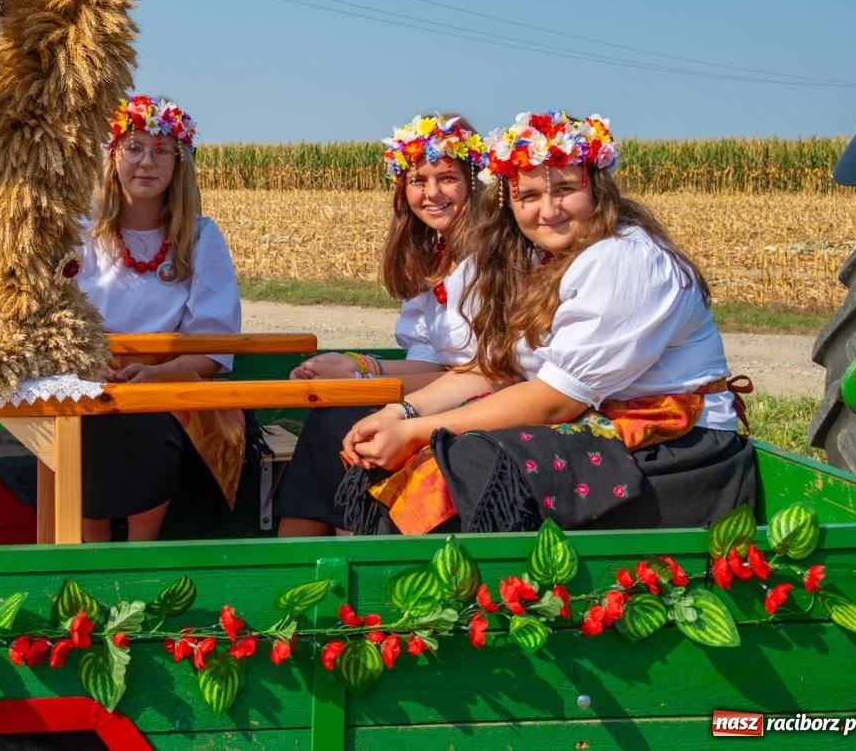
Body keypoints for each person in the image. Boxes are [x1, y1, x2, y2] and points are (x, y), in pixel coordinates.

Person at [336, 110, 755, 535]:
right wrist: (400, 412)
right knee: (433, 454)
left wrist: (417, 433)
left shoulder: (624, 259)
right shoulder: (539, 261)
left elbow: (558, 399)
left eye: (566, 189)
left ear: (597, 189)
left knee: (467, 465)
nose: (549, 210)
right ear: (509, 203)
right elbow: (497, 370)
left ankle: (479, 591)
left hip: (678, 447)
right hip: (607, 427)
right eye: (530, 196)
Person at [274, 114, 487, 536]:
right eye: (417, 181)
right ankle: (297, 560)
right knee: (334, 414)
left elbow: (482, 372)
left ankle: (330, 560)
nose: (431, 194)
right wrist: (354, 366)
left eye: (447, 178)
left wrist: (361, 376)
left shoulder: (493, 257)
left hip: (491, 400)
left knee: (344, 422)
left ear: (475, 182)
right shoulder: (433, 256)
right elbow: (435, 364)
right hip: (455, 390)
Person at [76, 94, 242, 542]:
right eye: (133, 147)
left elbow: (213, 347)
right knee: (89, 418)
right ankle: (90, 550)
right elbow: (53, 317)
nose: (146, 162)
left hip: (170, 381)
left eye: (161, 150)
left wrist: (158, 375)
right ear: (112, 157)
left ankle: (138, 549)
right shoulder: (79, 233)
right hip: (89, 376)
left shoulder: (200, 237)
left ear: (178, 163)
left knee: (142, 421)